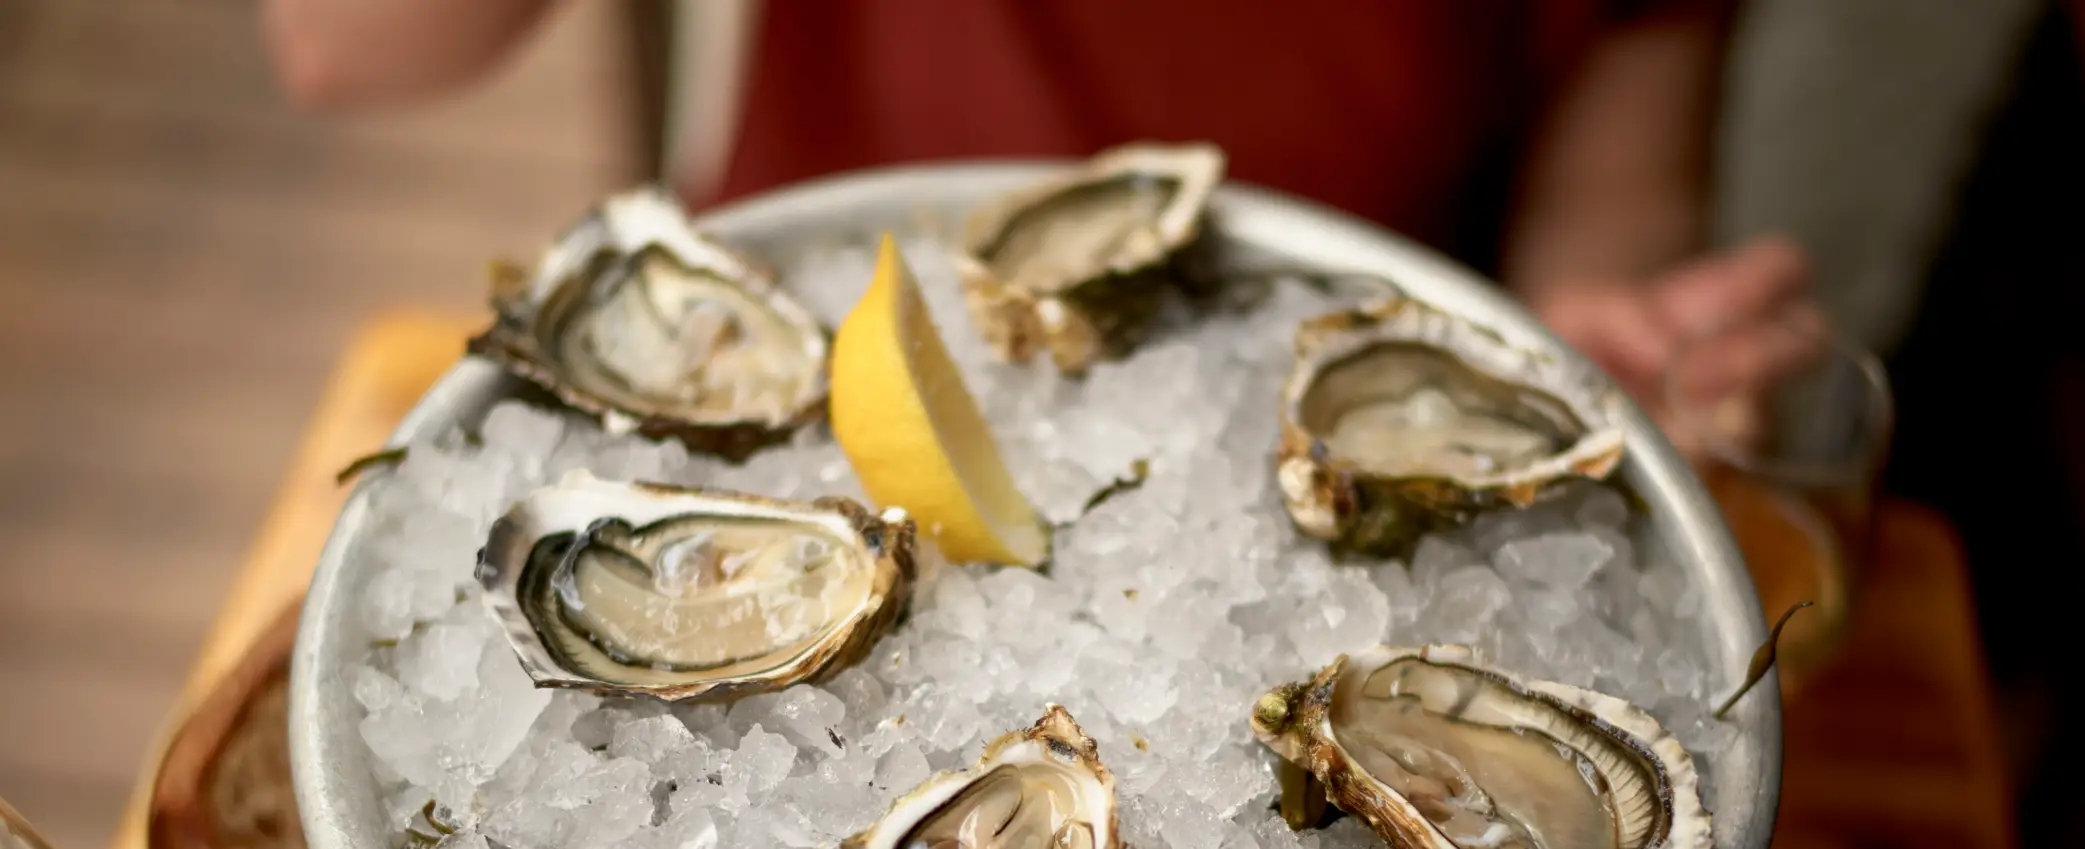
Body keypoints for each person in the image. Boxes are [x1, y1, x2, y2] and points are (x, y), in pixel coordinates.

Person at [259, 0, 1811, 411]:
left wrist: (1610, 351)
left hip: (1297, 459)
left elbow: (1614, 212)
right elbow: (341, 43)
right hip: (795, 385)